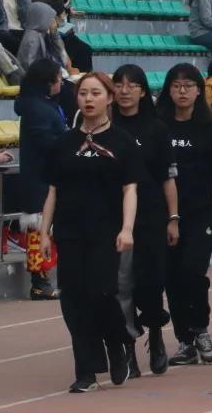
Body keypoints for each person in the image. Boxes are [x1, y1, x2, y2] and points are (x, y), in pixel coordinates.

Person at [38, 72, 139, 393]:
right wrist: (43, 232)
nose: (89, 99)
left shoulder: (122, 142)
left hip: (106, 232)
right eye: (83, 93)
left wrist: (127, 228)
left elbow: (130, 189)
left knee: (101, 292)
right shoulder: (63, 143)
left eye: (96, 93)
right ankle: (86, 370)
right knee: (73, 300)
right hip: (69, 231)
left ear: (109, 98)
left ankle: (117, 341)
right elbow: (53, 191)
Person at [157, 64, 212, 366]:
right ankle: (185, 341)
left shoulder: (210, 128)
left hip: (202, 212)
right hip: (166, 214)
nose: (182, 91)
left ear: (199, 90)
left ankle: (200, 327)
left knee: (192, 271)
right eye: (176, 86)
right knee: (172, 277)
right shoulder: (160, 126)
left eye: (188, 85)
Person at [112, 65, 178, 377]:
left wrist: (173, 218)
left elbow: (168, 178)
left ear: (142, 91)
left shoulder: (157, 129)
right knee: (121, 284)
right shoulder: (105, 127)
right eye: (119, 84)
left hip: (151, 214)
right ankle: (127, 344)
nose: (125, 91)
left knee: (151, 282)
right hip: (114, 216)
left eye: (132, 85)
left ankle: (155, 330)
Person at [11, 59, 69, 300]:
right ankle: (39, 281)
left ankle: (44, 278)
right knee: (38, 229)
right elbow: (46, 142)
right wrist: (69, 144)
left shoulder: (42, 104)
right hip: (39, 179)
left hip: (45, 177)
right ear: (48, 82)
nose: (61, 83)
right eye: (58, 79)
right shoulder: (37, 108)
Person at [55, 0, 94, 72]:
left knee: (84, 50)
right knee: (84, 50)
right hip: (57, 31)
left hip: (64, 29)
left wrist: (69, 11)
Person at [17, 2, 70, 73]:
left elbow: (63, 57)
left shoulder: (41, 34)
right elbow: (29, 66)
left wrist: (54, 34)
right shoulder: (32, 38)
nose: (52, 21)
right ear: (42, 18)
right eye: (49, 18)